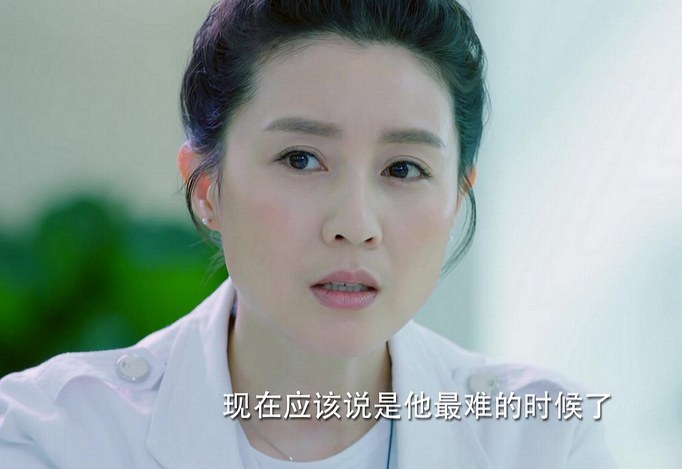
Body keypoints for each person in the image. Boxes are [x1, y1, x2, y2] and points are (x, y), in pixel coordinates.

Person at [0, 0, 618, 467]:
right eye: (301, 159)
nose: (355, 226)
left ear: (457, 196)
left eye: (404, 169)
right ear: (207, 188)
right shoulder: (52, 434)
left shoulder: (541, 441)